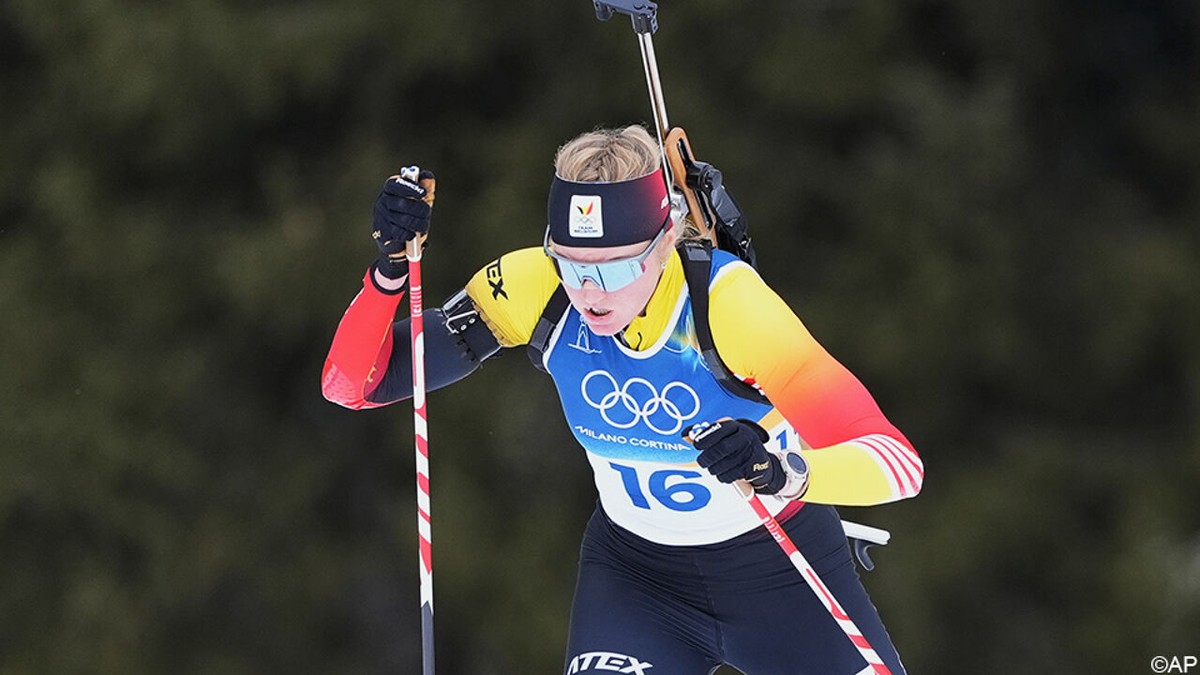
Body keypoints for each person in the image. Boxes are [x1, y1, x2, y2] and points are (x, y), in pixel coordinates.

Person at [322, 125, 923, 674]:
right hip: (637, 581)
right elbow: (354, 385)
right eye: (571, 264)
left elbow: (898, 465)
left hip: (779, 574)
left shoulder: (729, 306)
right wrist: (388, 275)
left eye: (614, 269)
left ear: (665, 243)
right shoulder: (535, 289)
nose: (589, 292)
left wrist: (780, 470)